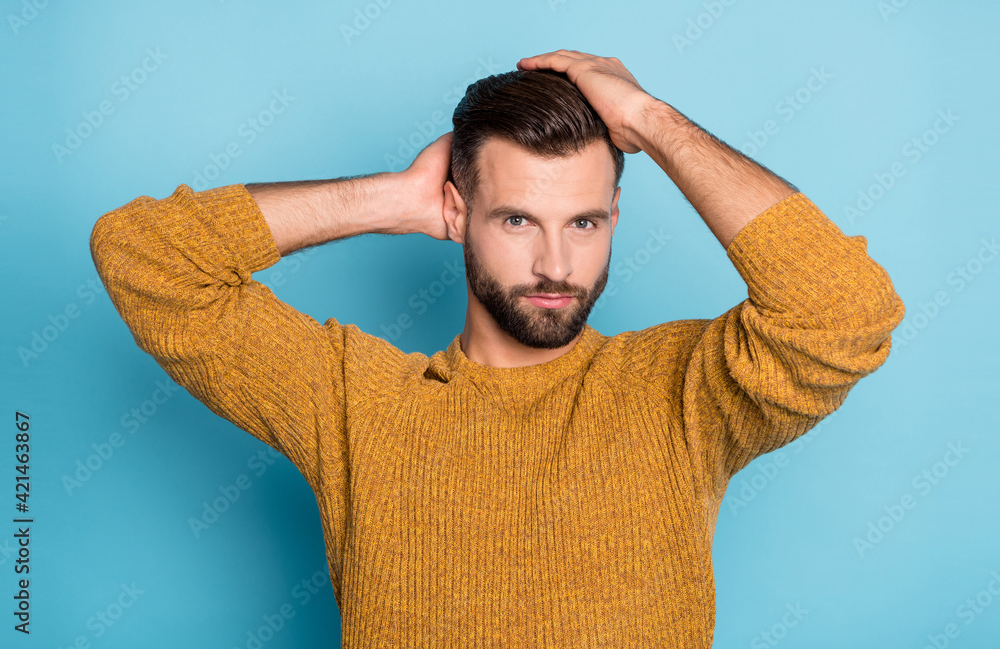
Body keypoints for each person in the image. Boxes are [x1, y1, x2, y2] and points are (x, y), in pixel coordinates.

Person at [90, 49, 905, 647]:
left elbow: (844, 313)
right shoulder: (352, 398)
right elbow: (145, 258)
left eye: (583, 222)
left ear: (614, 218)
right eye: (517, 218)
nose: (556, 264)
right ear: (458, 213)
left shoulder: (681, 392)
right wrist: (393, 199)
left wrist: (651, 122)